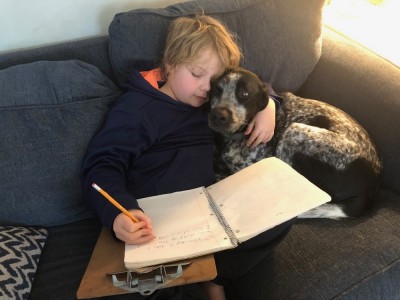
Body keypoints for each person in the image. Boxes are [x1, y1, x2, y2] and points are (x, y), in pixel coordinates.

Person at [81, 14, 293, 300]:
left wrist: (269, 105)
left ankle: (214, 275)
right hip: (158, 225)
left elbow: (250, 85)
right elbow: (102, 165)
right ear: (168, 65)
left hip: (209, 213)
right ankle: (197, 279)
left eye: (215, 81)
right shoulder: (137, 109)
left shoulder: (209, 102)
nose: (207, 88)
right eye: (196, 74)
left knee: (280, 216)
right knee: (154, 289)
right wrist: (120, 212)